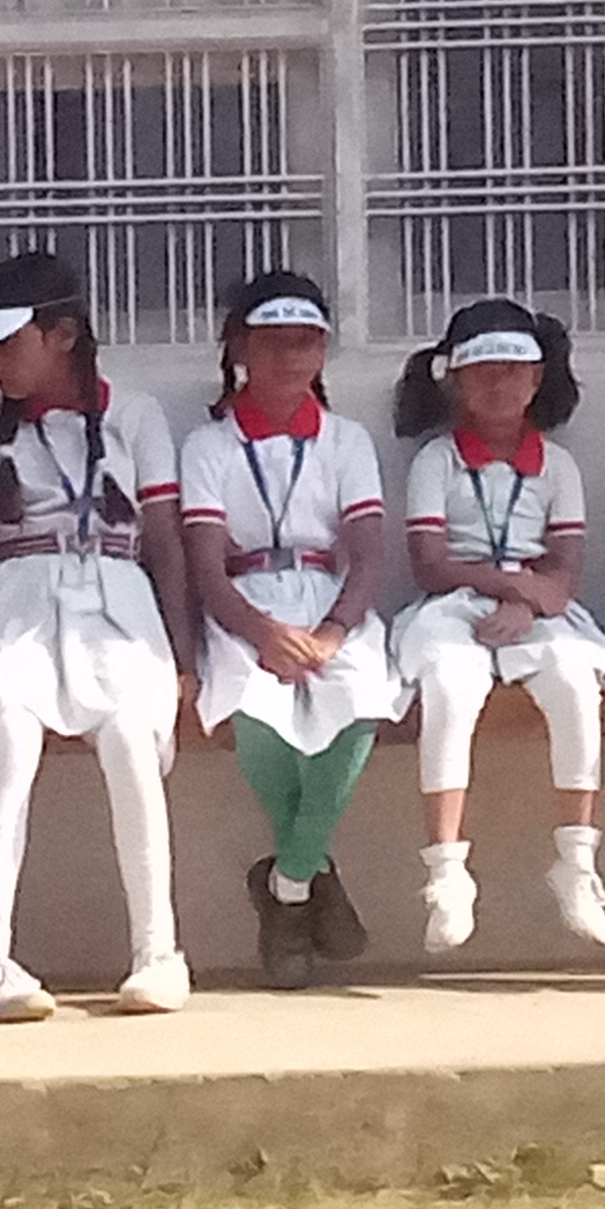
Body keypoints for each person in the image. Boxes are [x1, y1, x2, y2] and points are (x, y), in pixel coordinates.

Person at [0, 251, 196, 1021]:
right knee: (9, 737)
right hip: (18, 601)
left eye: (7, 343)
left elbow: (165, 540)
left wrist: (184, 659)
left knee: (131, 741)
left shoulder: (135, 416)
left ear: (63, 335)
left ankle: (158, 952)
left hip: (118, 600)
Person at [179, 270, 407, 989]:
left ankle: (287, 885)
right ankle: (310, 880)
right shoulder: (208, 445)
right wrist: (262, 632)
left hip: (331, 599)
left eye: (307, 341)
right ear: (240, 348)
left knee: (360, 702)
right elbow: (206, 568)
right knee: (254, 711)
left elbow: (368, 554)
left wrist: (336, 630)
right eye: (274, 341)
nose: (291, 356)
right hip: (246, 605)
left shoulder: (346, 440)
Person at [389, 297, 605, 953]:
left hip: (538, 608)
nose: (499, 384)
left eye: (514, 371)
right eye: (482, 371)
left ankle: (576, 862)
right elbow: (431, 564)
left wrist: (528, 602)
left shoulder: (558, 466)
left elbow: (565, 572)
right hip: (455, 603)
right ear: (454, 380)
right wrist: (510, 587)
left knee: (573, 681)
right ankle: (446, 871)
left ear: (538, 379)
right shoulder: (436, 461)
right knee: (451, 684)